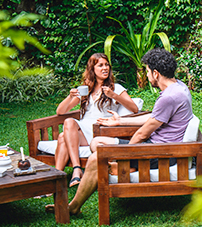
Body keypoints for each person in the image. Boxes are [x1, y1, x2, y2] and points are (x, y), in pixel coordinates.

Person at [47, 47, 192, 215]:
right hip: (160, 147)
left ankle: (74, 206)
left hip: (160, 152)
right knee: (98, 143)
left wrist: (125, 154)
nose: (146, 75)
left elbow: (142, 134)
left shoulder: (169, 97)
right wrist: (120, 121)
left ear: (156, 73)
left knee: (96, 158)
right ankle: (107, 173)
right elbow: (153, 117)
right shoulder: (178, 88)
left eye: (147, 71)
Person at [54, 52, 139, 186]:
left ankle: (63, 176)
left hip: (100, 130)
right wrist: (70, 97)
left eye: (106, 65)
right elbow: (60, 111)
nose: (105, 68)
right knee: (64, 133)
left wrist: (114, 96)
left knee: (63, 135)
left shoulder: (116, 88)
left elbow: (134, 108)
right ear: (92, 69)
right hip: (83, 130)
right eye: (100, 65)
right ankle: (72, 172)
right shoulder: (85, 90)